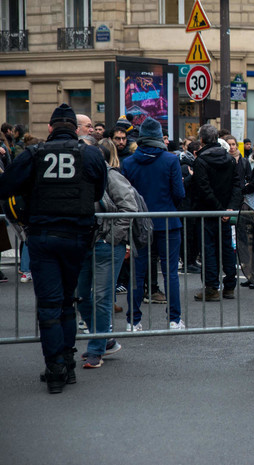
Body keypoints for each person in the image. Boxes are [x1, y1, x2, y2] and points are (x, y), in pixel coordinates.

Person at [0, 103, 107, 393]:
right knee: (66, 303)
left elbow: (5, 186)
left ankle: (55, 368)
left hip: (44, 237)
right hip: (77, 237)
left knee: (49, 306)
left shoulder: (33, 154)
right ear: (74, 129)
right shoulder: (92, 154)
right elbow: (98, 191)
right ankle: (69, 364)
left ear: (49, 128)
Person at [74, 138, 137, 368]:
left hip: (105, 244)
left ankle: (96, 349)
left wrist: (111, 238)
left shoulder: (110, 176)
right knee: (81, 298)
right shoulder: (77, 177)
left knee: (102, 297)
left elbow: (129, 208)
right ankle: (104, 340)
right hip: (84, 244)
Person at [121, 117, 186, 330]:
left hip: (140, 223)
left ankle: (133, 320)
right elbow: (179, 193)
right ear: (160, 137)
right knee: (170, 273)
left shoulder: (129, 162)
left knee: (137, 274)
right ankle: (174, 320)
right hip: (168, 221)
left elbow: (125, 196)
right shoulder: (170, 160)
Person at [191, 124, 242, 301]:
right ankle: (229, 286)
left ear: (202, 140)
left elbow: (203, 188)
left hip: (207, 211)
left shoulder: (201, 161)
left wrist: (221, 209)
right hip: (225, 211)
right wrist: (229, 208)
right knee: (227, 248)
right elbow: (237, 184)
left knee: (208, 250)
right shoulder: (229, 159)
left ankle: (212, 287)